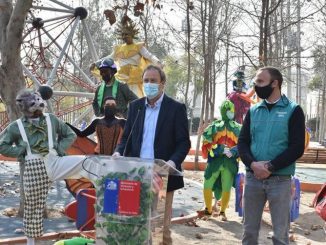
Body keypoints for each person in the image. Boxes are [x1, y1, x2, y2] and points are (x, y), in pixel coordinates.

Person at [114, 65, 191, 245]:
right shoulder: (135, 107)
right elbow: (126, 137)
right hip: (136, 174)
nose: (149, 84)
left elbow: (183, 142)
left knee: (159, 226)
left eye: (153, 81)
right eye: (146, 80)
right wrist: (118, 151)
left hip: (161, 175)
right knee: (136, 223)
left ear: (162, 83)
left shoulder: (176, 108)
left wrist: (171, 163)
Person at [237, 66, 305, 245]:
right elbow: (242, 143)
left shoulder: (293, 110)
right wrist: (253, 165)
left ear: (275, 83)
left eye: (260, 81)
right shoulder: (253, 111)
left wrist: (270, 167)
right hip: (252, 179)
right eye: (255, 81)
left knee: (280, 236)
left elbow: (297, 147)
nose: (255, 85)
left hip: (280, 181)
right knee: (249, 232)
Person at [92, 19, 161, 98]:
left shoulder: (138, 47)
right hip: (121, 77)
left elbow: (149, 56)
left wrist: (158, 62)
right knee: (120, 96)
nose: (124, 36)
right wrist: (96, 63)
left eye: (126, 34)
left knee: (135, 97)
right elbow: (109, 58)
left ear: (132, 34)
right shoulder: (118, 49)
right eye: (123, 35)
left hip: (134, 77)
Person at [201, 100, 241, 220]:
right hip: (215, 162)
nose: (231, 113)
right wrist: (218, 149)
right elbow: (206, 140)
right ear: (224, 111)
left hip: (230, 164)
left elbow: (244, 144)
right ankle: (208, 209)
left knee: (227, 187)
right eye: (229, 111)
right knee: (207, 184)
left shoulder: (239, 128)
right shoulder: (214, 126)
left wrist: (233, 151)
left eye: (232, 111)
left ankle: (223, 212)